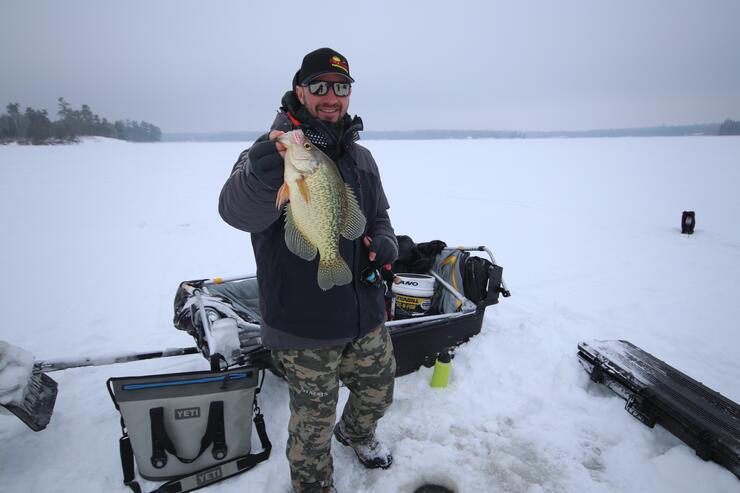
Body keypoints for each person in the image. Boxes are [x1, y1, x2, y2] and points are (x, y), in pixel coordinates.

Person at [219, 47, 398, 493]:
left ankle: (355, 433)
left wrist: (387, 239)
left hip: (364, 312)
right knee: (311, 428)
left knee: (379, 389)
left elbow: (377, 215)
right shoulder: (272, 150)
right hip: (303, 325)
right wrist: (259, 178)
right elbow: (236, 211)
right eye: (319, 86)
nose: (331, 96)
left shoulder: (361, 157)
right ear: (300, 91)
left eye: (341, 87)